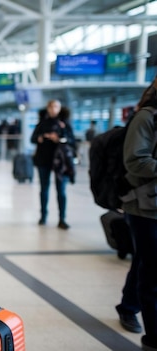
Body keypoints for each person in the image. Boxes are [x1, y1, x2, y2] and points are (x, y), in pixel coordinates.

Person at [117, 76, 157, 350]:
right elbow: (135, 161)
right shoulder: (146, 118)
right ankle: (153, 338)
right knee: (152, 270)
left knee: (146, 261)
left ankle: (128, 305)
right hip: (145, 206)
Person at [30, 99, 76, 230]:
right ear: (48, 108)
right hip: (43, 159)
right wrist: (42, 137)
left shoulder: (64, 124)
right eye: (51, 106)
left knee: (61, 190)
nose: (53, 109)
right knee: (44, 189)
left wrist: (60, 139)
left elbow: (72, 141)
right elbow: (33, 138)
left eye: (56, 106)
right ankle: (43, 216)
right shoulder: (42, 123)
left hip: (60, 161)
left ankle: (62, 218)